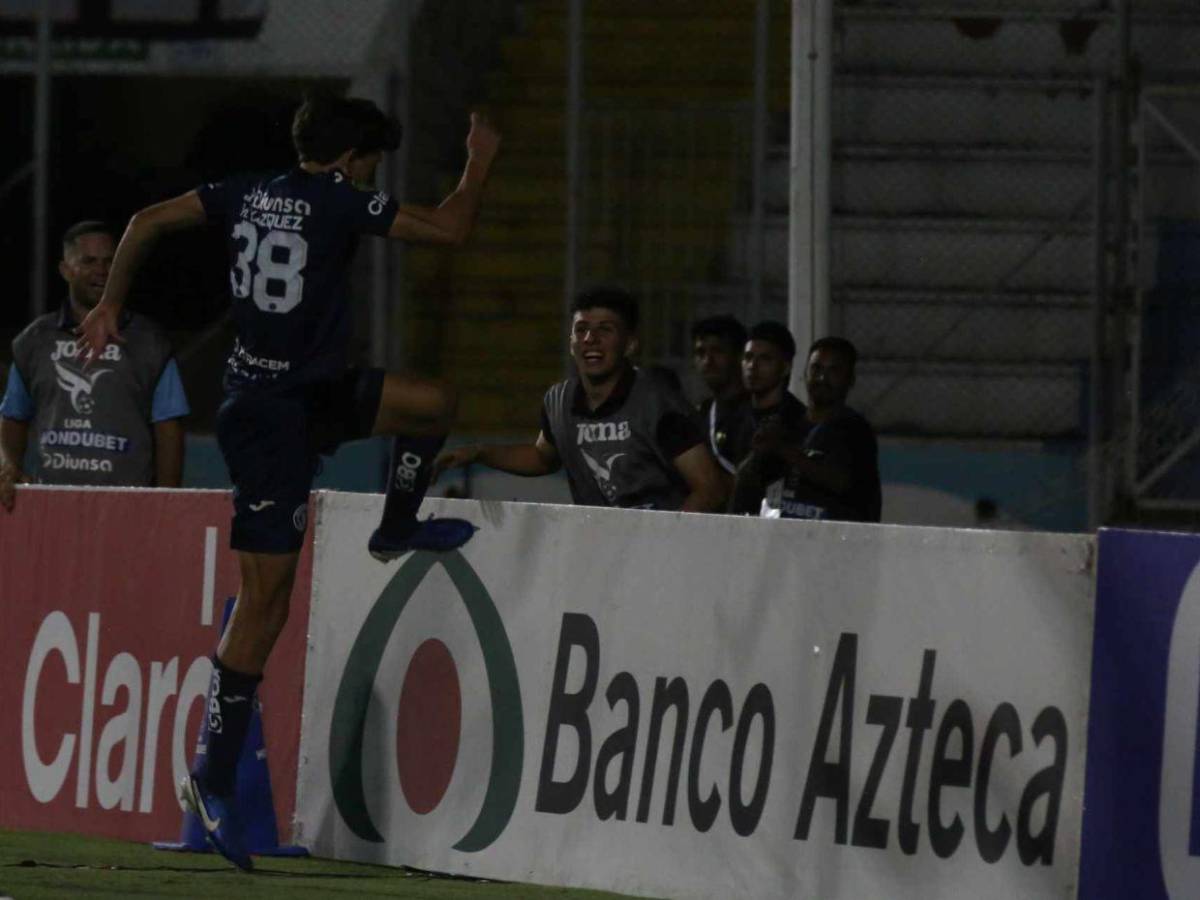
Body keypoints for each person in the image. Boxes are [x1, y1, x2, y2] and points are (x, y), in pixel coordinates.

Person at [77, 94, 500, 870]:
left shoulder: (241, 191)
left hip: (304, 394)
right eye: (371, 158)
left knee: (432, 404)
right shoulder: (339, 200)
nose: (374, 171)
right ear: (348, 159)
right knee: (266, 603)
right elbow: (452, 228)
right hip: (273, 418)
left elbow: (142, 222)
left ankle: (396, 525)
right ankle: (210, 776)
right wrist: (480, 161)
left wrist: (110, 303)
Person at [433, 288, 727, 513]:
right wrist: (479, 453)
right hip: (597, 547)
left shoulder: (657, 402)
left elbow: (710, 489)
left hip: (655, 551)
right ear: (570, 341)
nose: (591, 339)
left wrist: (665, 542)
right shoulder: (558, 401)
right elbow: (542, 457)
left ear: (630, 345)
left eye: (604, 330)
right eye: (581, 329)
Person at [0, 220, 188, 511]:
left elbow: (169, 427)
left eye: (109, 261)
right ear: (65, 270)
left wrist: (167, 502)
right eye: (88, 261)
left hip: (128, 507)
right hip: (50, 504)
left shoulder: (150, 342)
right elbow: (13, 416)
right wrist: (8, 468)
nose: (101, 270)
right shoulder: (35, 340)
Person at [731, 335, 881, 523]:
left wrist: (783, 449)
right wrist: (757, 454)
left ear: (850, 379)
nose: (822, 378)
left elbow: (843, 483)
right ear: (804, 373)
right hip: (782, 541)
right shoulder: (786, 422)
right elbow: (746, 482)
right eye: (816, 368)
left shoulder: (855, 430)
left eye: (833, 371)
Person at [691, 314, 752, 475]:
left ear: (739, 356)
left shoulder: (755, 411)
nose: (707, 360)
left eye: (717, 351)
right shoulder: (700, 414)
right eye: (700, 353)